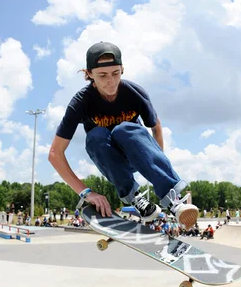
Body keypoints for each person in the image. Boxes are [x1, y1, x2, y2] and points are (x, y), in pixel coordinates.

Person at [48, 41, 198, 229]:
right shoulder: (81, 102)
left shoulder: (134, 93)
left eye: (115, 73)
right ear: (89, 74)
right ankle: (134, 197)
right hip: (110, 160)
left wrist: (154, 169)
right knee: (96, 135)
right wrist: (86, 193)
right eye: (102, 75)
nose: (110, 81)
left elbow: (156, 127)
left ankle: (174, 201)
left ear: (122, 69)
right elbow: (55, 153)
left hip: (137, 151)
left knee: (124, 130)